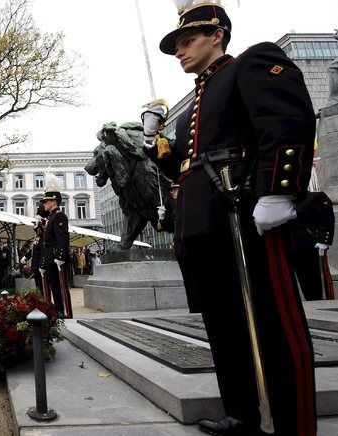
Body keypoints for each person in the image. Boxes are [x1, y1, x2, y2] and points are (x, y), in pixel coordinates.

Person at [143, 3, 317, 434]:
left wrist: (278, 190)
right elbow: (182, 164)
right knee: (225, 324)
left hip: (244, 217)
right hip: (205, 226)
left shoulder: (252, 63)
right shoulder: (198, 100)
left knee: (272, 322)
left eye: (187, 41)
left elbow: (287, 122)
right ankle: (242, 412)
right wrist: (153, 141)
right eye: (177, 45)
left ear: (216, 35)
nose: (179, 51)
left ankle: (290, 422)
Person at [292, 191, 335, 300]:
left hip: (312, 246)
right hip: (293, 246)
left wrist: (324, 241)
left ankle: (324, 301)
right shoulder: (282, 202)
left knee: (318, 282)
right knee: (301, 281)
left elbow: (327, 220)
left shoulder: (315, 197)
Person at [39, 182, 72, 318]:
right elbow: (46, 242)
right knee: (54, 286)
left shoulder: (59, 215)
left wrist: (60, 257)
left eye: (46, 201)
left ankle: (65, 313)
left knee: (61, 287)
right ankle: (57, 311)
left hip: (56, 257)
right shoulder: (51, 217)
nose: (44, 204)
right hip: (50, 256)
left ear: (54, 201)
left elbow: (62, 238)